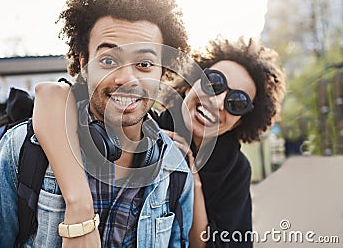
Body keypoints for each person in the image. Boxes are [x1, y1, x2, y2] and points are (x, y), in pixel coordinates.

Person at [0, 0, 193, 248]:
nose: (126, 79)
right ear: (83, 63)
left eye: (144, 64)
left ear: (162, 73)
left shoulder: (175, 167)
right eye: (109, 60)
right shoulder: (22, 149)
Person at [33, 37, 286, 247]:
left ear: (242, 121)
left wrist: (192, 180)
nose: (218, 102)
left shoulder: (235, 168)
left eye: (237, 102)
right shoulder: (142, 124)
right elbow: (50, 94)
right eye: (214, 82)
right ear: (191, 81)